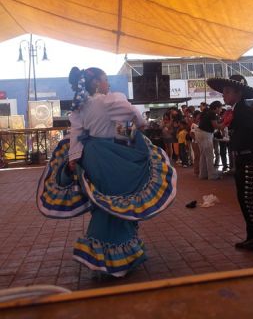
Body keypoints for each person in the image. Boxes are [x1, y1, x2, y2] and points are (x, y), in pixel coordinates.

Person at [37, 67, 177, 277]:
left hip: (91, 157)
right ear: (96, 83)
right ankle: (113, 259)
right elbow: (135, 117)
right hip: (111, 157)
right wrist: (140, 125)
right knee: (121, 199)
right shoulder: (110, 100)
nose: (107, 84)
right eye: (105, 80)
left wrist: (74, 159)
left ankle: (111, 256)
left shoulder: (80, 106)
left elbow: (76, 135)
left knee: (102, 201)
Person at [207, 75, 253, 251]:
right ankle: (252, 236)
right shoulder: (235, 110)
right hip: (242, 159)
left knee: (249, 200)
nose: (223, 95)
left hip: (250, 159)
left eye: (227, 92)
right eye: (224, 91)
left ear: (239, 93)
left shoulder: (245, 110)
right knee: (243, 199)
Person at [195, 100, 224, 180]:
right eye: (220, 108)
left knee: (203, 155)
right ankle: (212, 175)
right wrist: (224, 124)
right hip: (205, 134)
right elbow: (215, 126)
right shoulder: (212, 113)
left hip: (199, 133)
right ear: (217, 108)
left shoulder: (206, 111)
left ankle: (203, 174)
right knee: (209, 155)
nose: (221, 110)